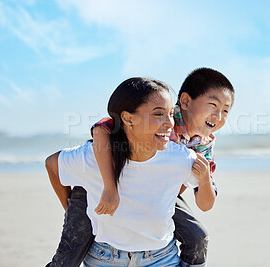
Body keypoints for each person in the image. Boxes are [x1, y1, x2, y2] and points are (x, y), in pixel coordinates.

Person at [47, 68, 234, 267]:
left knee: (198, 237)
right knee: (74, 244)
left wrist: (195, 181)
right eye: (213, 105)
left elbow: (202, 195)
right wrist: (108, 188)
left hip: (157, 191)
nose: (219, 115)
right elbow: (101, 129)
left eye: (226, 111)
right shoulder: (157, 111)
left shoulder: (202, 145)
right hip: (101, 176)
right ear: (186, 102)